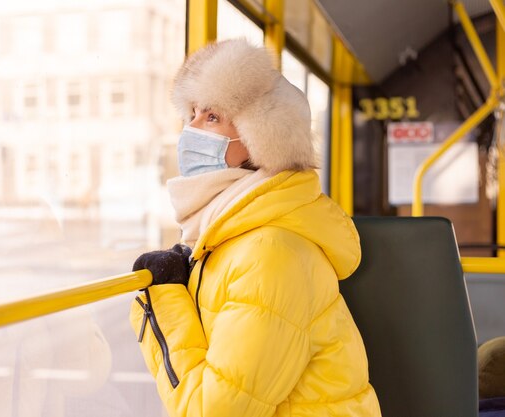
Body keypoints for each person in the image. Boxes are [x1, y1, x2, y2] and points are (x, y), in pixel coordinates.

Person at [129, 39, 381, 417]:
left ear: (259, 141)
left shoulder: (271, 253)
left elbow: (214, 411)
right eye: (193, 113)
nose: (191, 129)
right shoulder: (233, 233)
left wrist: (161, 301)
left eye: (212, 117)